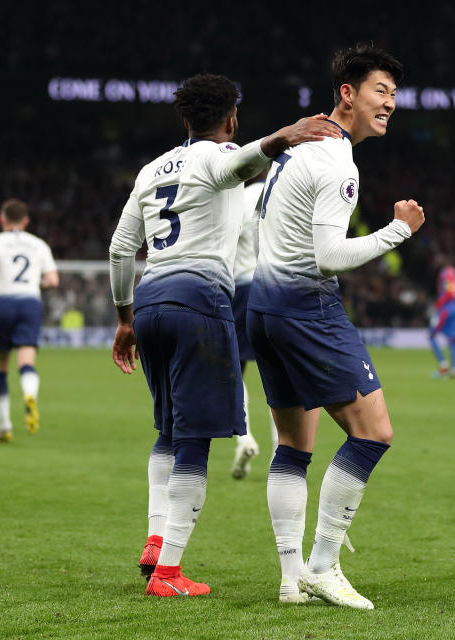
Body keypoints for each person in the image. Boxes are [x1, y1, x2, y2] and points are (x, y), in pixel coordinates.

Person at [108, 73, 342, 598]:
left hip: (149, 304)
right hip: (199, 303)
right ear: (231, 119)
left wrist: (124, 319)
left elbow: (121, 249)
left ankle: (154, 538)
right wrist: (287, 135)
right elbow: (241, 162)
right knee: (193, 439)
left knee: (167, 429)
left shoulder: (151, 169)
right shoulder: (221, 156)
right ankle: (167, 574)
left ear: (184, 119)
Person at [247, 42, 423, 609]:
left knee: (294, 448)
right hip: (307, 310)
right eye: (380, 90)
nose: (390, 102)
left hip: (263, 309)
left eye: (395, 93)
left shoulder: (297, 148)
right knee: (373, 434)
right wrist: (398, 231)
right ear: (346, 93)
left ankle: (289, 576)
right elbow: (328, 255)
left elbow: (262, 222)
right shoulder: (335, 159)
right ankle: (322, 566)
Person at [0, 198, 58, 442]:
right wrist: (37, 284)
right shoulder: (39, 244)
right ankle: (29, 393)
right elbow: (53, 281)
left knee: (0, 367)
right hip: (30, 303)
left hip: (3, 302)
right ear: (25, 221)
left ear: (2, 219)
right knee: (26, 362)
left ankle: (5, 427)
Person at [229, 176, 279, 479]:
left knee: (235, 370)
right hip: (274, 288)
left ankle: (244, 435)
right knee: (278, 374)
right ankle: (280, 449)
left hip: (239, 287)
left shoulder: (235, 199)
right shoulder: (282, 190)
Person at [429, 261, 455, 378]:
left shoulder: (445, 273)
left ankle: (443, 364)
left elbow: (447, 292)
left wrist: (439, 304)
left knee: (432, 335)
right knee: (452, 339)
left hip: (445, 309)